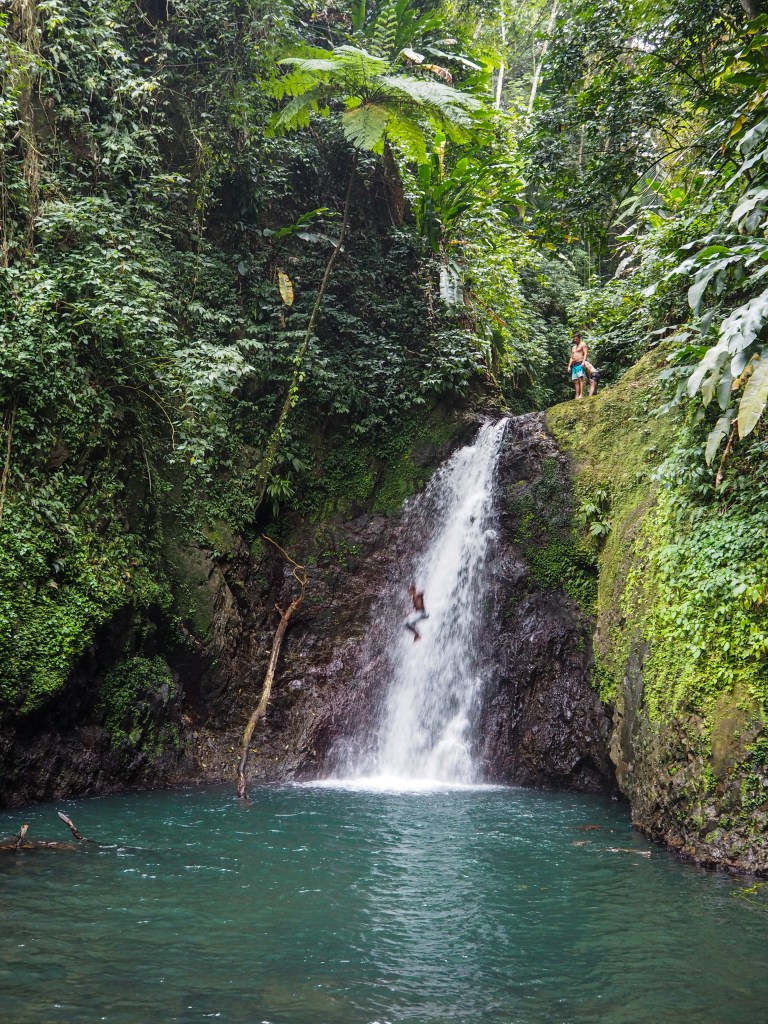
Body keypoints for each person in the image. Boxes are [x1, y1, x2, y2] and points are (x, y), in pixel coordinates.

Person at [568, 333, 588, 399]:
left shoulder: (583, 344)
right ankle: (577, 395)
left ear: (579, 338)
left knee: (580, 379)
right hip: (574, 365)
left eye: (576, 339)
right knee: (575, 381)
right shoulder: (573, 347)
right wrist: (569, 366)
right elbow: (571, 357)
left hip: (580, 363)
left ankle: (581, 395)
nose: (575, 340)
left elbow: (585, 353)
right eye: (574, 339)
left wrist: (583, 362)